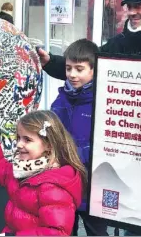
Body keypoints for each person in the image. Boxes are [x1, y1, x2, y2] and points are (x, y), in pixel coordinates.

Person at [0, 110, 87, 236]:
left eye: (27, 140)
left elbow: (56, 233)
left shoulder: (52, 187)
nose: (19, 144)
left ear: (48, 145)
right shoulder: (23, 170)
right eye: (18, 138)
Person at [50, 39, 109, 236]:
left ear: (94, 70)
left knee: (96, 231)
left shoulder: (103, 102)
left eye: (79, 69)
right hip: (64, 182)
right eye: (68, 68)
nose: (72, 74)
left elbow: (106, 145)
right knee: (64, 229)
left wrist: (74, 153)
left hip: (92, 183)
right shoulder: (61, 98)